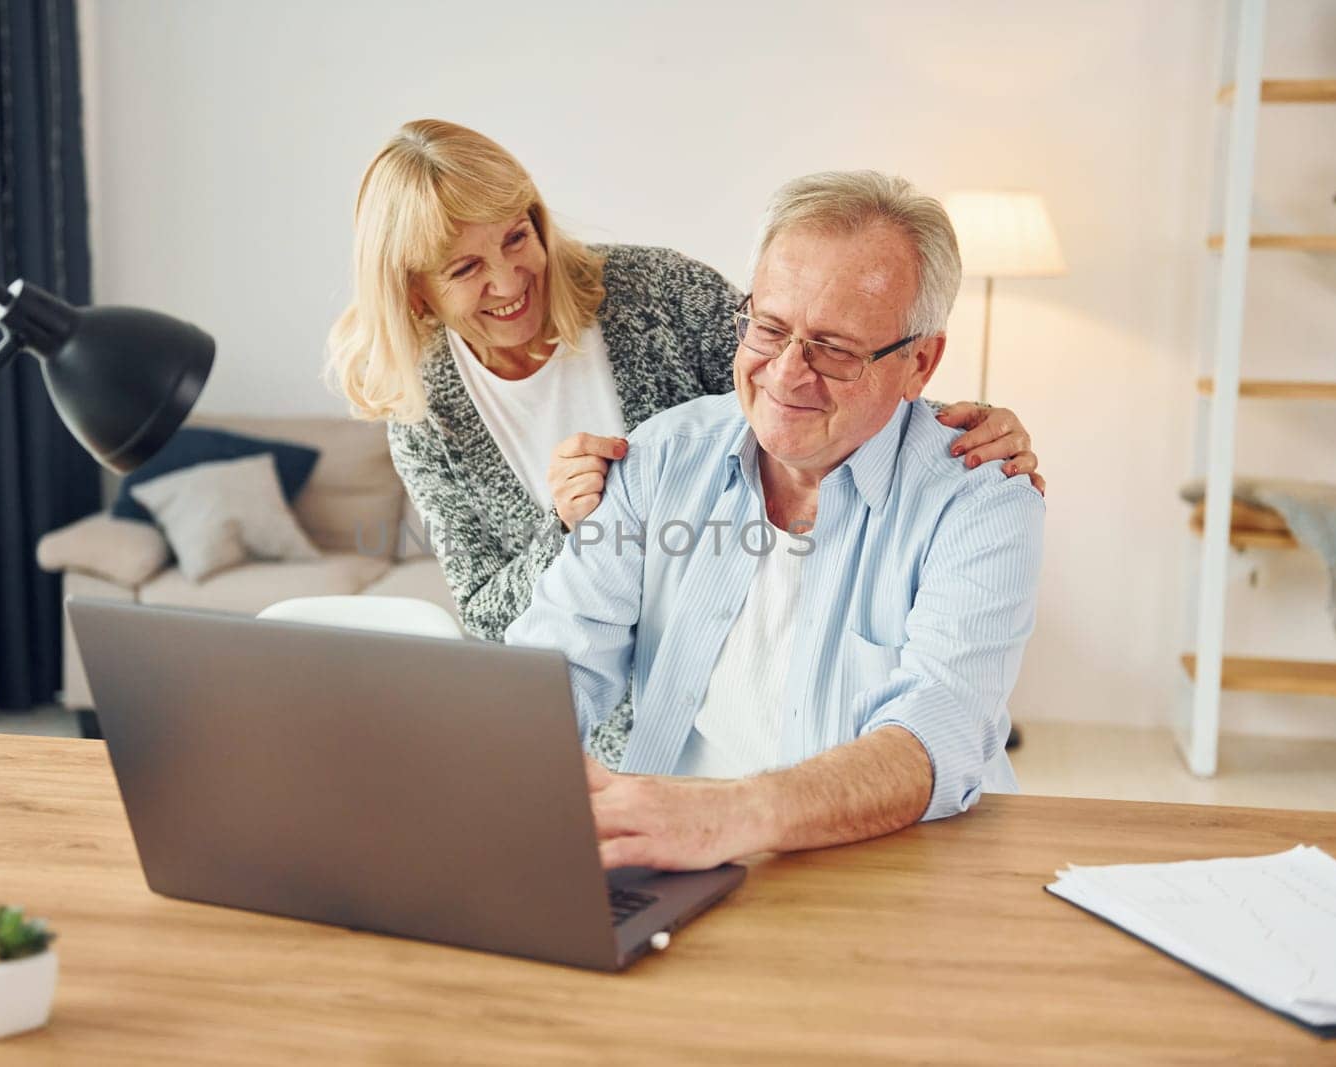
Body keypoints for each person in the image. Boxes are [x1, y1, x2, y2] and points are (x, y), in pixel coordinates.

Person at [327, 120, 1043, 763]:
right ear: (417, 292)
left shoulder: (655, 294)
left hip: (771, 725)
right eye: (465, 268)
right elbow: (506, 628)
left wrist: (952, 425)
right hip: (628, 744)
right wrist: (570, 525)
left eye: (517, 237)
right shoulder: (434, 417)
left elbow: (818, 357)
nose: (511, 278)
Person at [505, 171, 1044, 871]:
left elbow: (936, 732)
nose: (787, 374)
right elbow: (550, 671)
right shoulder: (658, 459)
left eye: (836, 348)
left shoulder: (983, 497)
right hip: (673, 864)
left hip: (892, 874)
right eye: (769, 328)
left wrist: (727, 817)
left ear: (920, 361)